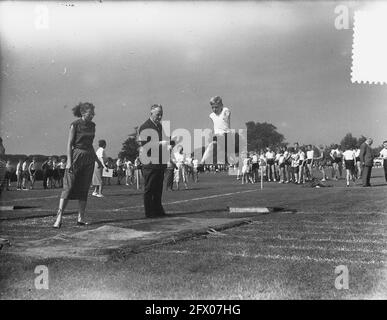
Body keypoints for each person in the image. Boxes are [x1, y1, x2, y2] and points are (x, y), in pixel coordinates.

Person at [53, 102, 102, 228]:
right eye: (90, 113)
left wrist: (97, 160)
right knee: (68, 188)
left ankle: (80, 218)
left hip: (89, 158)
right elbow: (69, 144)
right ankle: (59, 218)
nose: (92, 116)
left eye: (93, 113)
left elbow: (90, 144)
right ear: (83, 113)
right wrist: (69, 161)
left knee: (84, 189)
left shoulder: (93, 125)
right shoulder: (75, 125)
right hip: (76, 157)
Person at [138, 104, 171, 218]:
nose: (160, 116)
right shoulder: (145, 126)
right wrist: (161, 144)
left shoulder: (159, 126)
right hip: (149, 162)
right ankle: (149, 212)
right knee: (149, 188)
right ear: (151, 113)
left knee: (158, 188)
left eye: (161, 114)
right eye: (158, 114)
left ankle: (158, 209)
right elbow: (145, 145)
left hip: (159, 162)